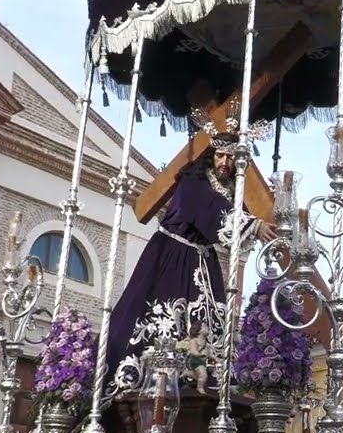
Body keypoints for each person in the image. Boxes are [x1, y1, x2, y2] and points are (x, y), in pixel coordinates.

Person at [103, 137, 275, 381]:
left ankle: (202, 377)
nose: (224, 162)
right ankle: (148, 377)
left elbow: (235, 211)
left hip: (204, 261)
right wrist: (252, 225)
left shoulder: (230, 191)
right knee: (159, 316)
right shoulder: (194, 182)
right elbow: (209, 208)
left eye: (230, 158)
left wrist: (271, 206)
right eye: (219, 155)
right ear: (209, 156)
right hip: (173, 256)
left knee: (208, 327)